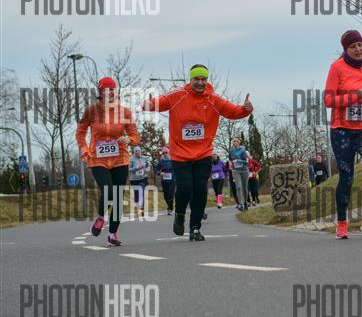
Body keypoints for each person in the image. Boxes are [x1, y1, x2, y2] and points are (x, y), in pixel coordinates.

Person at [142, 64, 253, 241]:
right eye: (197, 79)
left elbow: (233, 111)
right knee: (185, 187)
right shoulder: (177, 96)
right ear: (190, 79)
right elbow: (154, 104)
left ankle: (195, 227)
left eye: (203, 79)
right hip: (180, 154)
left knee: (200, 190)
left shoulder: (214, 100)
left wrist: (246, 109)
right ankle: (179, 215)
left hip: (203, 153)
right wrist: (148, 104)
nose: (200, 83)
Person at [324, 30, 362, 239]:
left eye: (360, 44)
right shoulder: (337, 68)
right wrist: (354, 96)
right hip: (342, 130)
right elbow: (328, 100)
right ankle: (342, 223)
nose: (358, 49)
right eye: (353, 47)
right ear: (345, 49)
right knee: (346, 176)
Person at [76, 77, 140, 246]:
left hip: (120, 158)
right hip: (97, 158)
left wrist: (129, 139)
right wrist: (85, 150)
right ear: (100, 92)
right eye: (105, 90)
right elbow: (80, 133)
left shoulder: (125, 112)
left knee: (118, 197)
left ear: (115, 91)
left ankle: (113, 234)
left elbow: (135, 135)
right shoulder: (91, 112)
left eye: (111, 89)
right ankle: (101, 216)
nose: (109, 92)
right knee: (109, 191)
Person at [228, 138, 250, 211]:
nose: (234, 142)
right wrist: (230, 164)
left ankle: (245, 202)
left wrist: (238, 160)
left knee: (245, 188)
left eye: (235, 141)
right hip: (235, 170)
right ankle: (240, 204)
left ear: (239, 142)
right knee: (238, 187)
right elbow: (230, 159)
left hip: (244, 170)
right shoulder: (231, 151)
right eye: (233, 141)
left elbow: (246, 161)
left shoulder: (243, 150)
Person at [129, 146, 151, 217]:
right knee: (136, 196)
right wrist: (137, 167)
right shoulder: (131, 159)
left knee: (141, 192)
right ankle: (137, 208)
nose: (137, 152)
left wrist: (146, 170)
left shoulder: (145, 158)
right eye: (136, 151)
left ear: (140, 151)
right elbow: (129, 169)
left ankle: (141, 209)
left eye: (138, 151)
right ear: (134, 152)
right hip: (134, 179)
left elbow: (148, 166)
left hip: (143, 178)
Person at [156, 146, 176, 214]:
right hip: (164, 181)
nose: (165, 154)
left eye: (166, 152)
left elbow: (177, 169)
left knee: (170, 194)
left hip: (172, 180)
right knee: (165, 195)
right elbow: (157, 170)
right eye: (163, 153)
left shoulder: (173, 160)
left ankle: (170, 208)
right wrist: (160, 173)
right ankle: (170, 206)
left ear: (169, 153)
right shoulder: (161, 161)